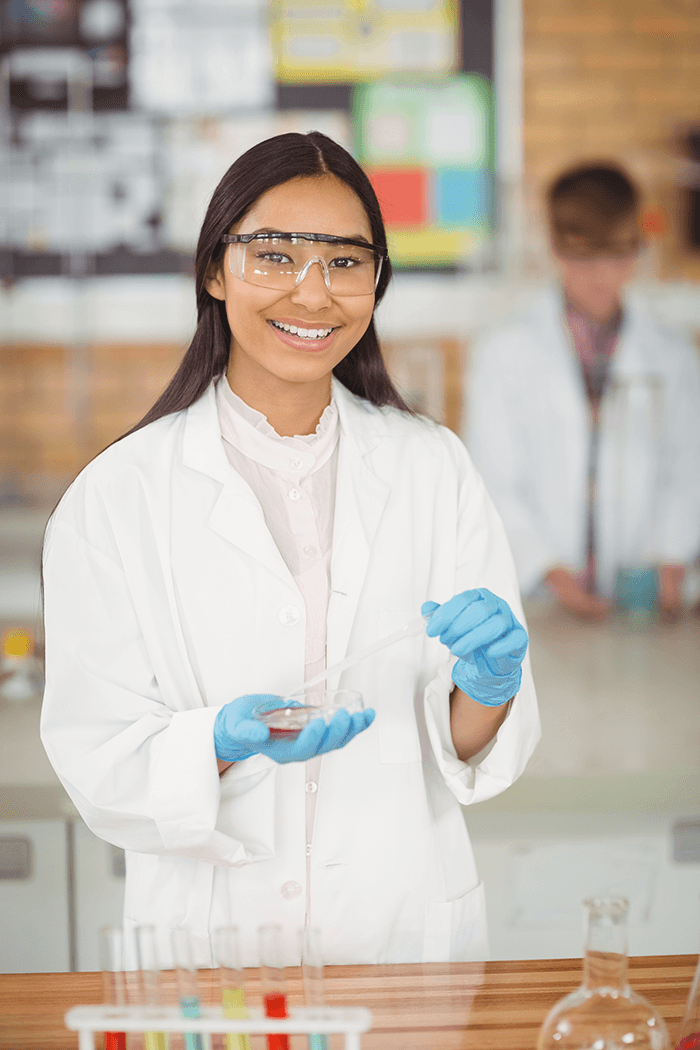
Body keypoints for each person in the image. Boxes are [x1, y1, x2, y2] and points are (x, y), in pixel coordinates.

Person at [40, 132, 540, 967]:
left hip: (401, 935)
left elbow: (466, 745)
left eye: (346, 262)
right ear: (213, 269)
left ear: (376, 281)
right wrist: (217, 746)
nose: (312, 295)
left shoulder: (432, 466)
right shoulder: (118, 495)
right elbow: (96, 756)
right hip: (212, 950)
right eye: (272, 256)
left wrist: (491, 686)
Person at [465, 162, 700, 621]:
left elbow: (688, 470)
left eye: (618, 257)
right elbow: (492, 482)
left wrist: (670, 559)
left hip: (647, 601)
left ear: (639, 251)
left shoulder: (673, 354)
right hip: (543, 601)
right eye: (585, 258)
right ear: (555, 248)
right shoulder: (502, 352)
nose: (602, 276)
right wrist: (550, 573)